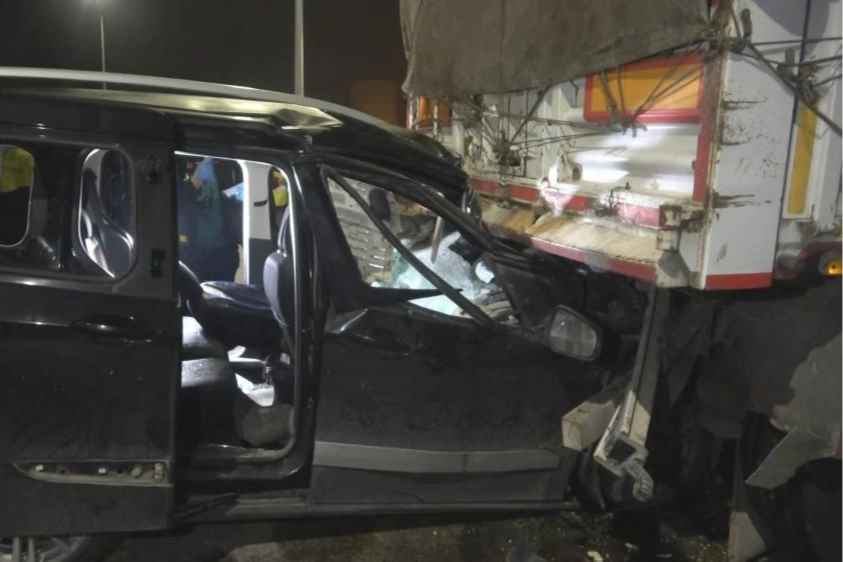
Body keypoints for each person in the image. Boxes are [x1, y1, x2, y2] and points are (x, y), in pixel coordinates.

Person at [189, 157, 239, 281]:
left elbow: (241, 200)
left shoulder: (231, 163)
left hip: (224, 250)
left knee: (221, 289)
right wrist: (194, 183)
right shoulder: (185, 159)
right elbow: (178, 200)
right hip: (194, 249)